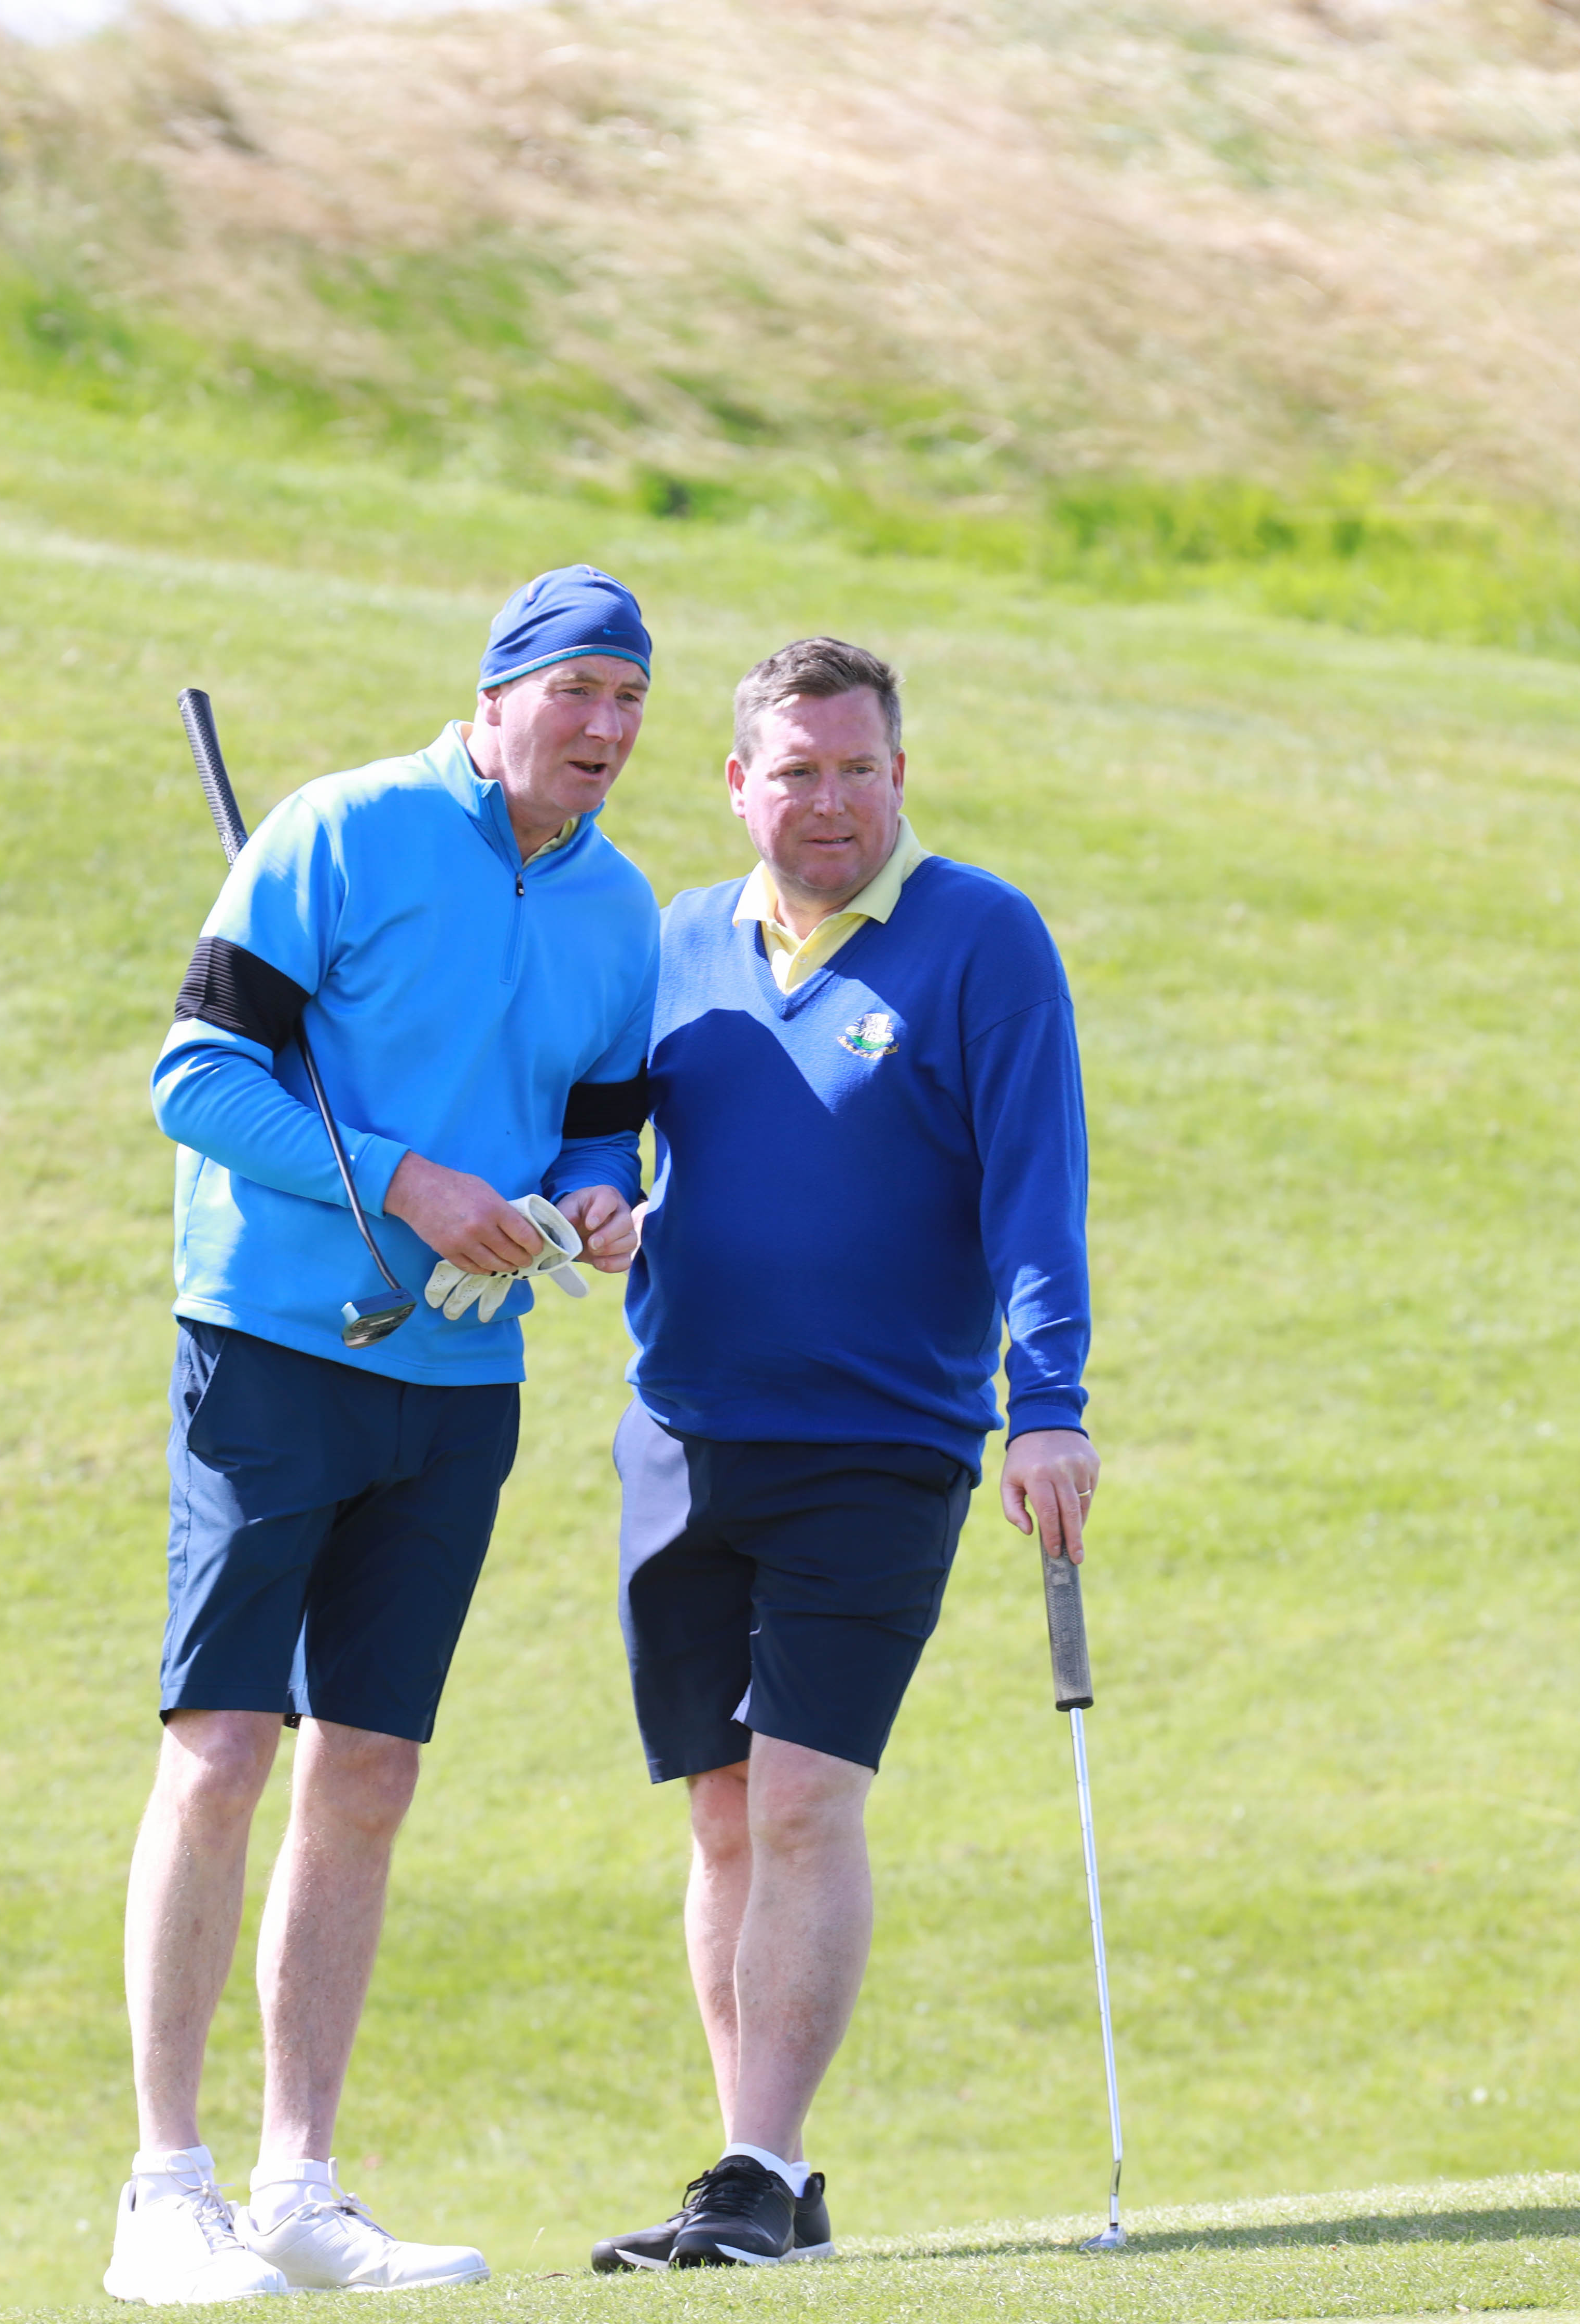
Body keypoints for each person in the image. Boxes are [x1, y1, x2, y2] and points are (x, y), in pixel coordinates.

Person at [109, 568, 662, 2305]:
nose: (604, 729)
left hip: (460, 1379)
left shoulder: (621, 907)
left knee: (370, 1766)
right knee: (225, 1745)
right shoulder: (339, 831)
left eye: (630, 702)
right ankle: (164, 2194)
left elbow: (600, 1123)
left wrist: (595, 1198)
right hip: (272, 1349)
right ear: (494, 700)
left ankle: (299, 2188)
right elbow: (199, 1079)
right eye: (575, 692)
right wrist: (405, 1180)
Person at [590, 636, 1095, 2271]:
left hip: (880, 1441)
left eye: (858, 768)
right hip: (681, 1433)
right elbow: (595, 1121)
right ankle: (764, 2186)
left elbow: (1036, 1188)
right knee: (725, 1815)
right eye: (797, 772)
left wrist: (1049, 1404)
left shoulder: (983, 938)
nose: (830, 800)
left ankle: (755, 2160)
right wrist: (589, 1193)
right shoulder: (676, 939)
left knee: (808, 1795)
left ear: (900, 773)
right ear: (740, 784)